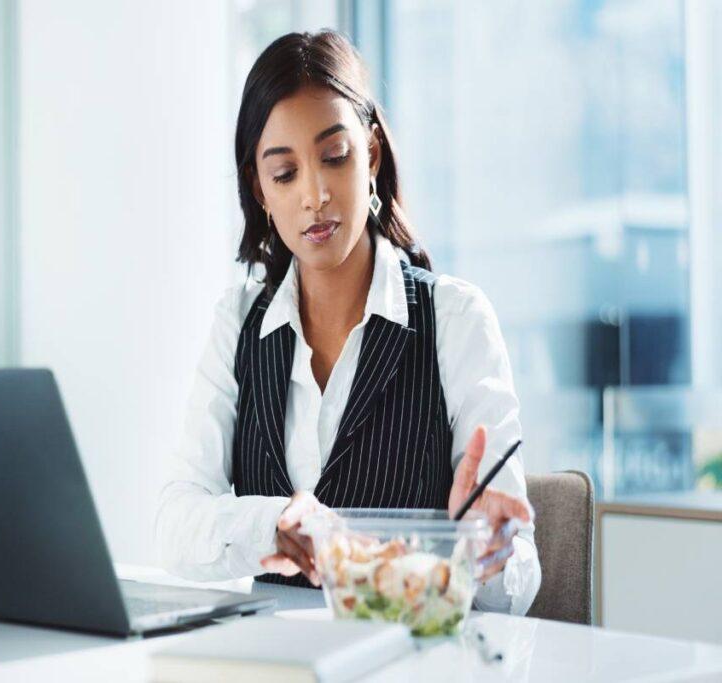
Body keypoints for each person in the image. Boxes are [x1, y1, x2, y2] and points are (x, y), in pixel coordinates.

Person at [155, 29, 540, 614]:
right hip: (275, 666)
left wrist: (484, 550)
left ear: (373, 155)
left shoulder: (455, 320)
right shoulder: (238, 321)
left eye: (335, 158)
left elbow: (518, 584)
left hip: (408, 660)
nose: (315, 195)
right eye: (285, 174)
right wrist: (273, 524)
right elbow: (175, 523)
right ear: (259, 189)